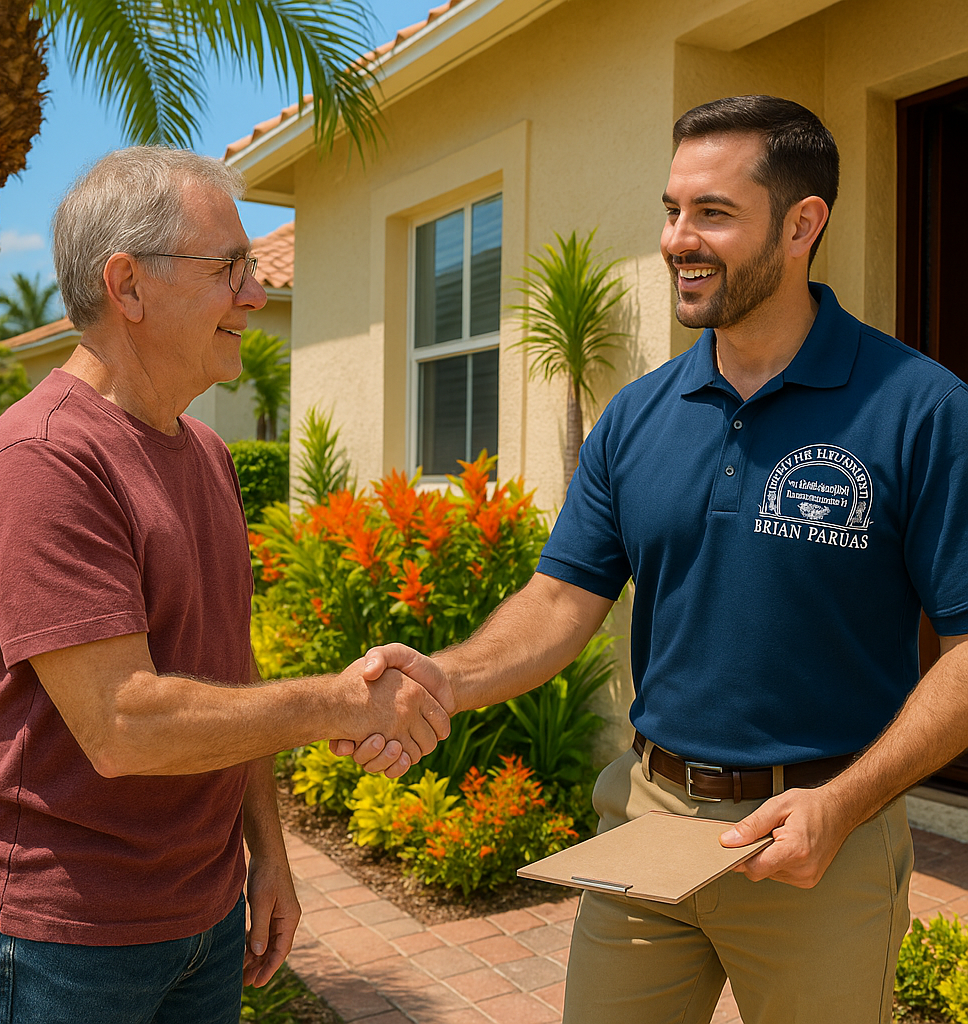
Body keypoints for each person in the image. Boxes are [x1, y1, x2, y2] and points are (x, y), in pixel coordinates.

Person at [338, 95, 968, 1023]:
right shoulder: (636, 415)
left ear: (804, 225)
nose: (678, 239)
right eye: (671, 211)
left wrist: (844, 803)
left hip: (821, 843)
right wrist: (445, 678)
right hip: (647, 822)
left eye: (712, 212)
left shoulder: (921, 406)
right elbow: (561, 602)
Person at [0, 147, 452, 1024]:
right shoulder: (45, 460)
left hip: (205, 921)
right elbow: (123, 724)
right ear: (128, 287)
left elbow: (226, 673)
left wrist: (270, 856)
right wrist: (338, 706)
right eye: (230, 268)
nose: (254, 294)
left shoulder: (208, 455)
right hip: (66, 941)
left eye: (251, 267)